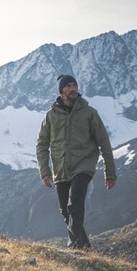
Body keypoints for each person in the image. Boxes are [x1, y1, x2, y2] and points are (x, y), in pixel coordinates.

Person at [36, 74, 116, 249]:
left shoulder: (89, 113)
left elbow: (104, 143)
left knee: (75, 203)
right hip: (61, 169)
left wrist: (110, 173)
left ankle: (74, 244)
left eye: (75, 85)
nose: (73, 89)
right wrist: (45, 171)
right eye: (68, 86)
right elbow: (41, 144)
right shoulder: (50, 116)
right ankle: (84, 247)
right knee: (65, 210)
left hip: (83, 165)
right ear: (61, 91)